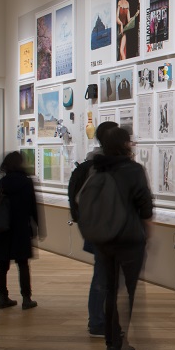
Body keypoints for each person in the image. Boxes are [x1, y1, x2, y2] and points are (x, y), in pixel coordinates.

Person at [90, 126, 154, 350]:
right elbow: (145, 207)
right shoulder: (133, 170)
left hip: (104, 239)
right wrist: (148, 233)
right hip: (129, 239)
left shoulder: (98, 168)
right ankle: (122, 344)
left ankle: (112, 343)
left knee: (110, 291)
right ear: (125, 145)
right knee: (129, 292)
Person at [68, 120, 117, 338]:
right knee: (102, 276)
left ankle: (104, 320)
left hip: (101, 228)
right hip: (104, 230)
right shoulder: (99, 167)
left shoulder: (96, 164)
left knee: (106, 275)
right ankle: (97, 322)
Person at [0, 151, 41, 310]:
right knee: (23, 264)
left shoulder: (1, 183)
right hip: (21, 228)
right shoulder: (26, 183)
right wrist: (38, 226)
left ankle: (2, 297)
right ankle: (26, 298)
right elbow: (33, 207)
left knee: (2, 265)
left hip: (2, 228)